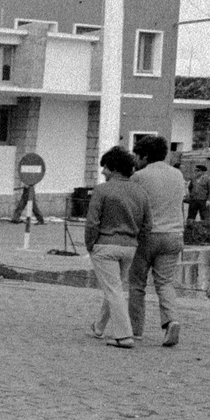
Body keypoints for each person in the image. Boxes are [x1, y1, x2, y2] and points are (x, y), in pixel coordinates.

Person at [85, 146, 151, 350]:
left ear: (113, 168)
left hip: (105, 245)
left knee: (113, 290)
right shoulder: (140, 191)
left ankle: (124, 336)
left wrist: (90, 245)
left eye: (104, 167)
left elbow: (92, 222)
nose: (102, 172)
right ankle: (99, 326)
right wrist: (137, 242)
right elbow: (147, 225)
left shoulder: (102, 190)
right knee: (114, 288)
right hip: (130, 247)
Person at [129, 134, 186, 347]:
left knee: (137, 284)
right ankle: (171, 321)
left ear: (145, 156)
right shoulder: (178, 175)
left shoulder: (139, 177)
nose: (135, 160)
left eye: (137, 156)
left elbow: (134, 209)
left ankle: (135, 331)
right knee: (164, 283)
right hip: (174, 235)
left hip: (147, 236)